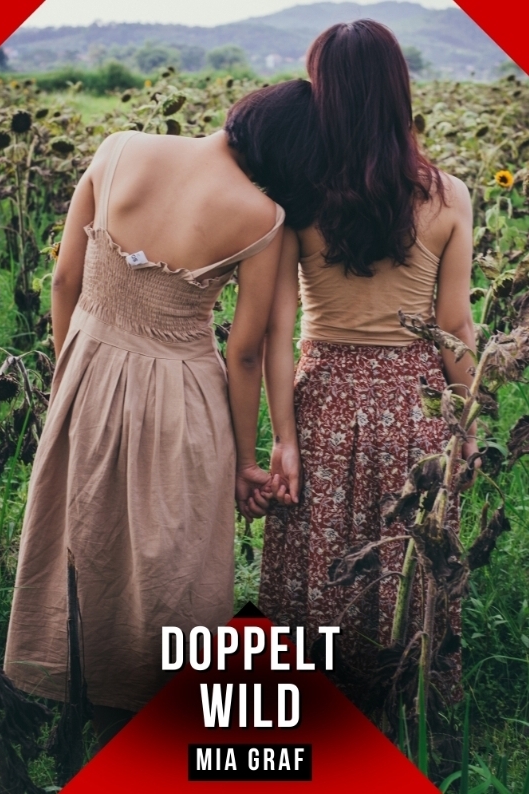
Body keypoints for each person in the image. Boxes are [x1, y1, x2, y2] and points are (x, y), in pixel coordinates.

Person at [226, 21, 477, 713]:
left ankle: (314, 708)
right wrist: (467, 425)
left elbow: (279, 334)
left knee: (319, 562)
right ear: (400, 93)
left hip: (323, 399)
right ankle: (409, 711)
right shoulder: (449, 196)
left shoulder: (297, 198)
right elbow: (455, 327)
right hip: (415, 403)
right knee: (409, 559)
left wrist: (282, 437)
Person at [3, 126, 285, 744]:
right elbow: (245, 353)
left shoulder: (118, 146)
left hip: (90, 367)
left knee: (83, 533)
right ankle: (148, 712)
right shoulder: (262, 216)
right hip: (184, 397)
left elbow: (64, 280)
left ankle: (73, 683)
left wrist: (72, 376)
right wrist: (247, 461)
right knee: (172, 557)